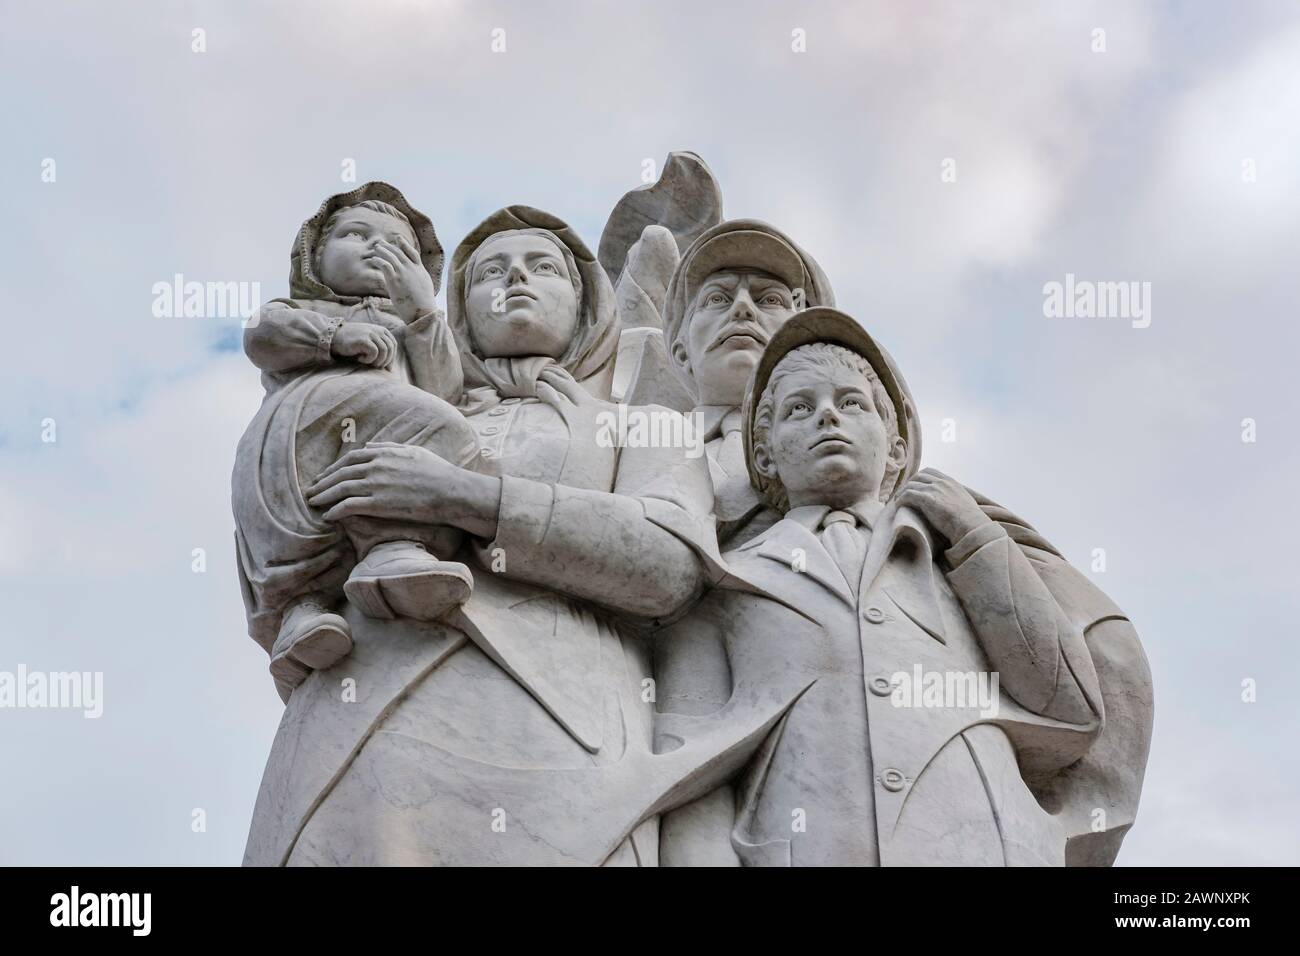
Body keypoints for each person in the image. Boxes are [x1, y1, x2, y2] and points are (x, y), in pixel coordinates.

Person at [243, 206, 791, 866]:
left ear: (587, 307)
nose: (518, 281)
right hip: (361, 704)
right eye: (491, 272)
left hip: (565, 731)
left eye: (544, 268)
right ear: (459, 308)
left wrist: (465, 497)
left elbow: (667, 565)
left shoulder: (637, 424)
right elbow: (277, 500)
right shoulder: (380, 396)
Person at [659, 308, 1104, 865]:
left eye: (851, 404)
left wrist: (978, 542)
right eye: (799, 409)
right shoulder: (726, 584)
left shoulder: (956, 557)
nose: (827, 418)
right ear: (765, 454)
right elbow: (687, 771)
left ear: (895, 446)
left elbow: (1071, 707)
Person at [233, 182, 484, 702]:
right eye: (355, 234)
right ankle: (299, 612)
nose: (377, 247)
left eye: (400, 246)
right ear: (314, 258)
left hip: (389, 433)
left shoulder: (416, 327)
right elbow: (263, 336)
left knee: (448, 434)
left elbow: (445, 394)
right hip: (300, 436)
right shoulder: (302, 311)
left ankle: (391, 548)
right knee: (290, 531)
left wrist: (421, 315)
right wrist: (331, 339)